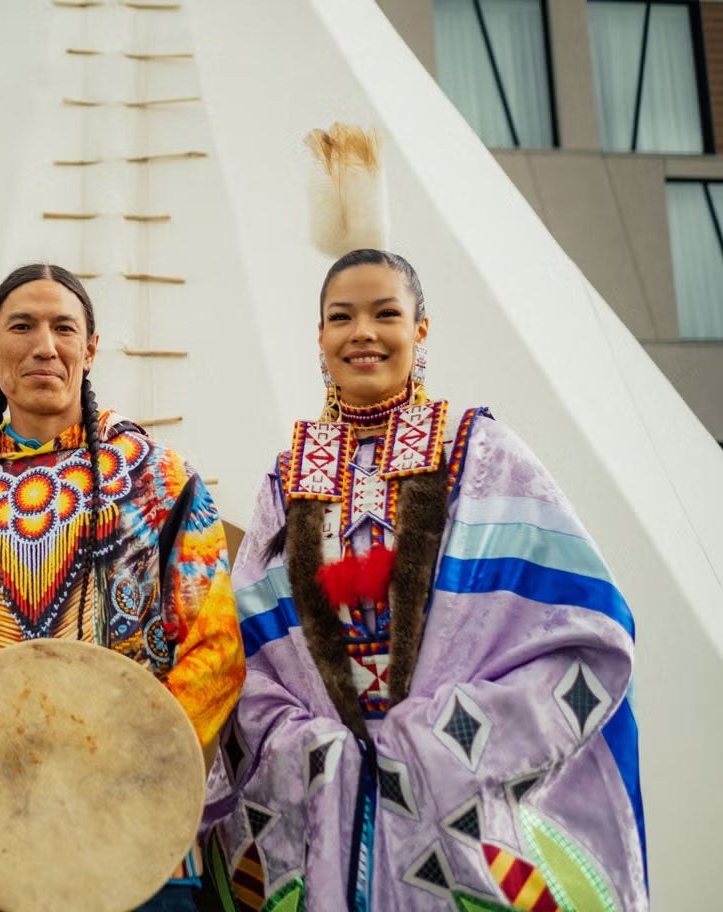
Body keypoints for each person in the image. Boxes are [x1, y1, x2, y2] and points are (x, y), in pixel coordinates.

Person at [204, 248, 646, 912]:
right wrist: (311, 749)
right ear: (319, 338)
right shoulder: (288, 475)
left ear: (421, 330)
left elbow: (584, 628)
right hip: (328, 802)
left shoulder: (483, 454)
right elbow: (247, 651)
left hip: (465, 801)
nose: (363, 333)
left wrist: (438, 741)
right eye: (341, 317)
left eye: (386, 314)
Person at [0, 263, 246, 912]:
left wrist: (117, 759)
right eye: (21, 326)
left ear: (90, 348)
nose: (44, 345)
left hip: (141, 848)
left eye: (64, 328)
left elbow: (218, 650)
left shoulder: (160, 482)